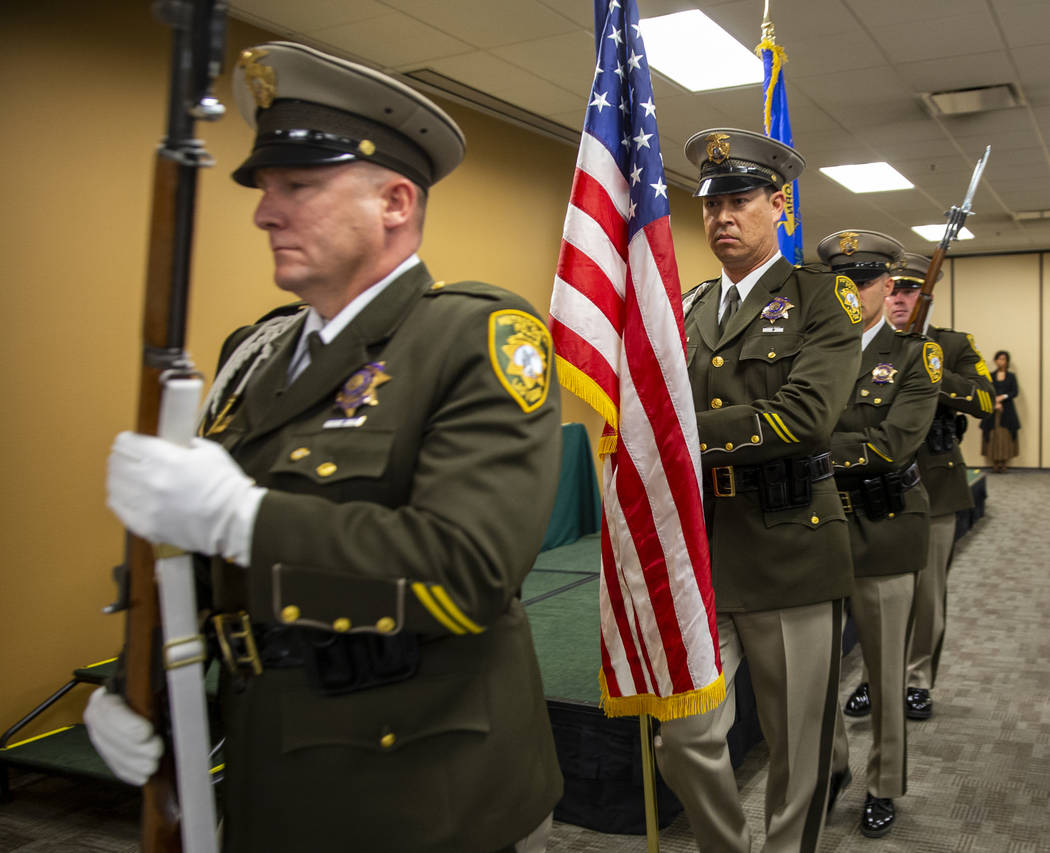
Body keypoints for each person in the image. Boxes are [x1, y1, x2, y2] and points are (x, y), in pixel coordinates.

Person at [86, 41, 563, 853]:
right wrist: (140, 687)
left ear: (395, 202)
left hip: (416, 784)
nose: (265, 212)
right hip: (272, 765)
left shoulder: (475, 337)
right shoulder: (256, 353)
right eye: (267, 189)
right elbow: (200, 563)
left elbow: (466, 576)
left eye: (298, 186)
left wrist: (243, 517)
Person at [653, 128, 863, 853]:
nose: (720, 217)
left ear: (780, 204)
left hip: (789, 547)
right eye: (710, 203)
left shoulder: (821, 299)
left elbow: (804, 418)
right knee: (682, 736)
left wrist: (678, 433)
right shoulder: (691, 305)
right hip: (705, 552)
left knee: (796, 753)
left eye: (739, 199)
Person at [818, 231, 942, 838]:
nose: (852, 292)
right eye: (842, 281)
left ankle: (883, 781)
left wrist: (807, 448)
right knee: (814, 674)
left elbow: (889, 447)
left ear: (888, 286)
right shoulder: (809, 349)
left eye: (864, 281)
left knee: (885, 671)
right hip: (814, 530)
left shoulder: (916, 357)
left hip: (885, 524)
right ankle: (835, 766)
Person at [843, 252, 994, 723]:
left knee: (926, 594)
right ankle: (873, 678)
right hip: (870, 486)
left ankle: (916, 679)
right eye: (896, 290)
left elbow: (985, 399)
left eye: (912, 291)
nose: (901, 299)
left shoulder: (949, 345)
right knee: (871, 598)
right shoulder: (856, 344)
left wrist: (925, 368)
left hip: (932, 481)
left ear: (922, 296)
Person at [980, 350, 1021, 472]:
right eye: (999, 359)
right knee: (993, 435)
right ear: (995, 360)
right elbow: (986, 391)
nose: (1001, 361)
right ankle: (995, 462)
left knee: (1005, 436)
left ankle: (1004, 463)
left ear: (1007, 361)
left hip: (1007, 410)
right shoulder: (990, 376)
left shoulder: (1011, 376)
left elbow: (1014, 392)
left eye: (1003, 359)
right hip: (993, 410)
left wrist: (1002, 397)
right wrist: (994, 402)